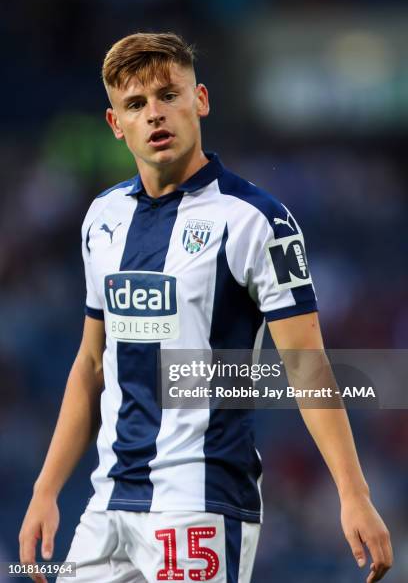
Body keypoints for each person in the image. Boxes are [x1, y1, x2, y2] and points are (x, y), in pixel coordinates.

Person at [19, 32, 393, 583]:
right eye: (136, 105)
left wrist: (353, 494)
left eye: (169, 95)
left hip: (201, 501)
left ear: (201, 100)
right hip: (108, 506)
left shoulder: (258, 221)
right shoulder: (101, 220)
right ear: (115, 124)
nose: (155, 115)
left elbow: (307, 366)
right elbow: (91, 366)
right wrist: (45, 490)